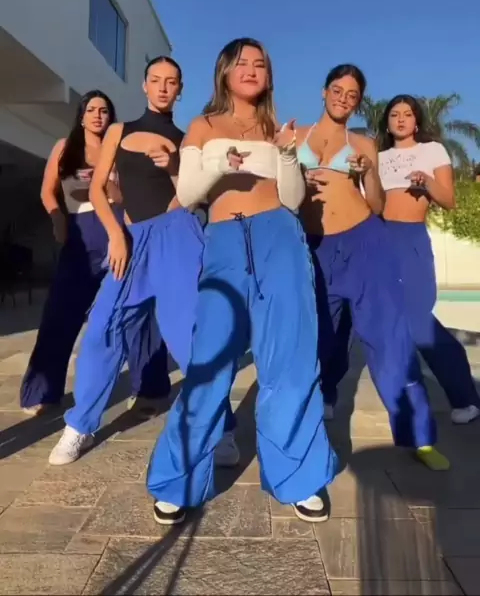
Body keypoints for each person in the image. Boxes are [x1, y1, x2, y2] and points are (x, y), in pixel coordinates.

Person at [147, 38, 338, 526]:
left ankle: (299, 476)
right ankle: (178, 480)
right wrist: (219, 165)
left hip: (281, 238)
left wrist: (288, 156)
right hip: (225, 242)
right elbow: (189, 193)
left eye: (260, 64)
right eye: (242, 63)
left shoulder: (279, 129)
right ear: (225, 73)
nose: (252, 70)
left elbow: (292, 198)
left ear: (268, 76)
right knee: (210, 360)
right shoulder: (204, 126)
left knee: (291, 358)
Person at [48, 58, 237, 467]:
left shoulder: (187, 140)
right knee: (102, 328)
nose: (164, 87)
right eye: (156, 80)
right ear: (144, 85)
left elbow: (194, 197)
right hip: (131, 238)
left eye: (172, 82)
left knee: (189, 336)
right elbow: (97, 190)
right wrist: (116, 235)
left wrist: (174, 167)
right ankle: (80, 426)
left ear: (180, 89)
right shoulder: (120, 131)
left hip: (177, 236)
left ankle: (220, 426)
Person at [297, 64, 449, 470]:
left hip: (365, 242)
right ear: (324, 91)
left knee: (390, 340)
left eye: (352, 95)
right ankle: (309, 426)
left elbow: (378, 205)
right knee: (314, 340)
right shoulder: (293, 136)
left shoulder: (364, 144)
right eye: (337, 90)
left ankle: (419, 437)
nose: (343, 99)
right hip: (314, 248)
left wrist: (368, 175)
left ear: (358, 102)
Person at [20, 90, 168, 417]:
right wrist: (58, 219)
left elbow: (129, 195)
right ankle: (42, 391)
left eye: (104, 110)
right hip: (80, 235)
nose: (98, 115)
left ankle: (149, 390)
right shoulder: (65, 147)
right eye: (91, 110)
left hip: (119, 231)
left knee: (138, 310)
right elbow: (48, 191)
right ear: (82, 116)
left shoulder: (120, 146)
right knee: (61, 313)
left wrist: (108, 181)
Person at [378, 94, 480, 425]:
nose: (401, 119)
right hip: (377, 239)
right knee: (383, 321)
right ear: (387, 122)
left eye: (408, 114)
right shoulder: (378, 157)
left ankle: (465, 397)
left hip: (410, 238)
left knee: (419, 319)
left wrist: (427, 180)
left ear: (417, 121)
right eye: (395, 114)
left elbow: (448, 199)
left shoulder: (432, 151)